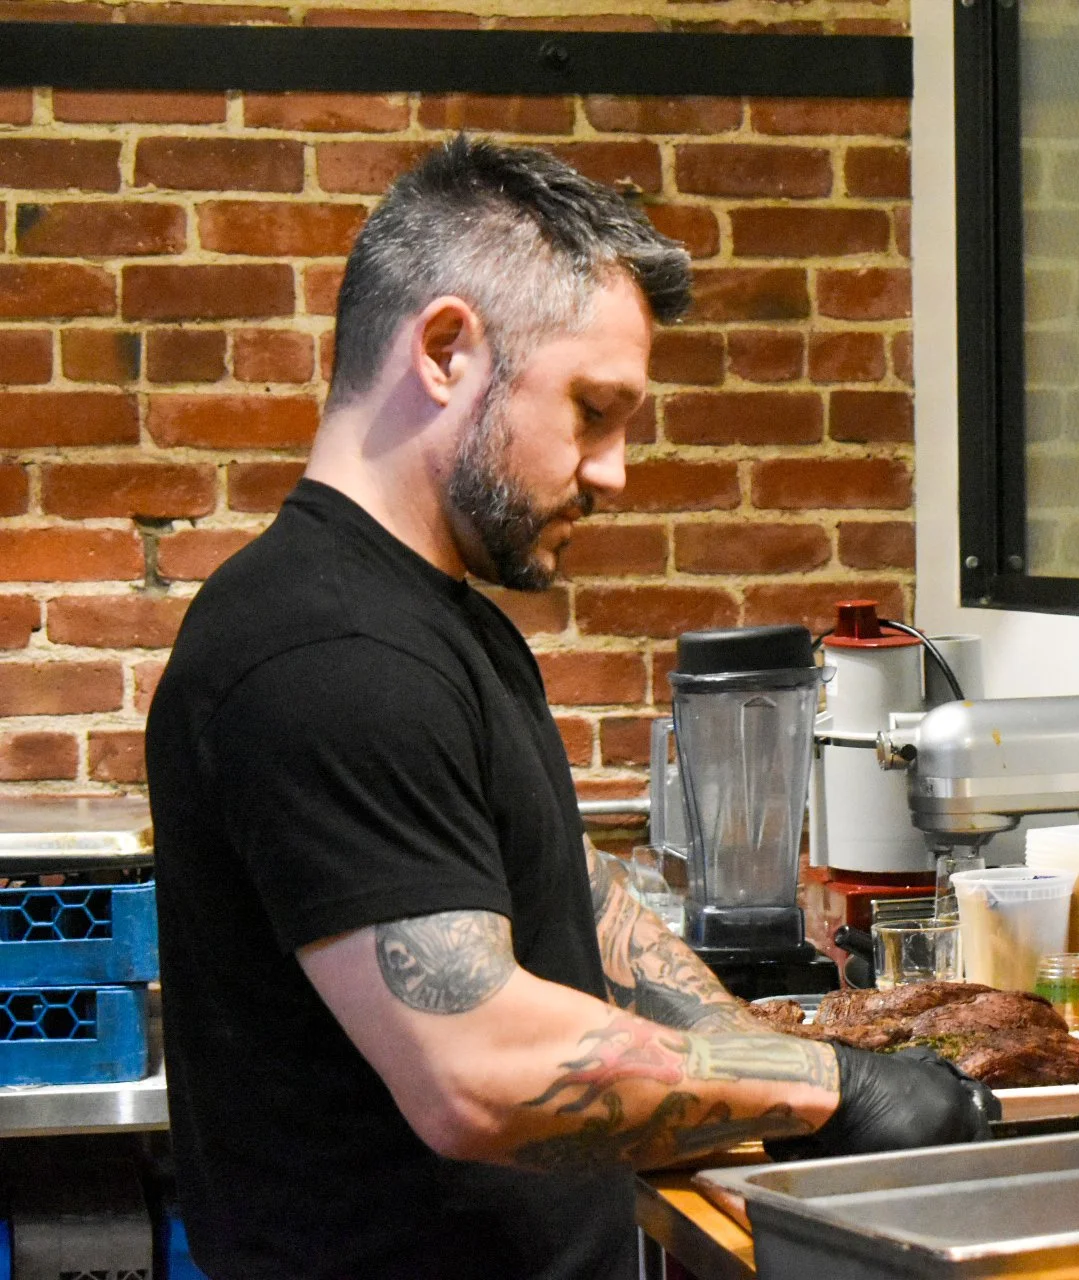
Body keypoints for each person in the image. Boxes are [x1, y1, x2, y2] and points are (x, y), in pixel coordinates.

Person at [145, 137, 993, 1280]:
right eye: (593, 410)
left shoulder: (441, 620)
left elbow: (577, 903)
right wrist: (832, 1087)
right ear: (447, 349)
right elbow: (479, 1072)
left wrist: (793, 1057)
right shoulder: (324, 651)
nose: (615, 472)